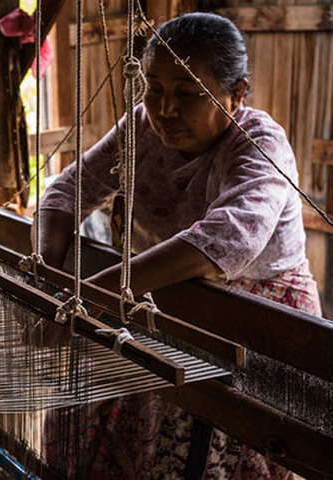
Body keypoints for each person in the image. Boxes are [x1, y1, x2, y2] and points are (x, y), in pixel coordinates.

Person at [37, 12, 321, 479]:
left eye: (188, 94)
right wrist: (46, 274)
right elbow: (66, 191)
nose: (166, 110)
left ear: (238, 95)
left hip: (257, 326)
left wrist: (87, 296)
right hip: (163, 303)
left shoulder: (257, 143)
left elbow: (222, 241)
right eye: (154, 89)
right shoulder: (142, 129)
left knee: (200, 447)